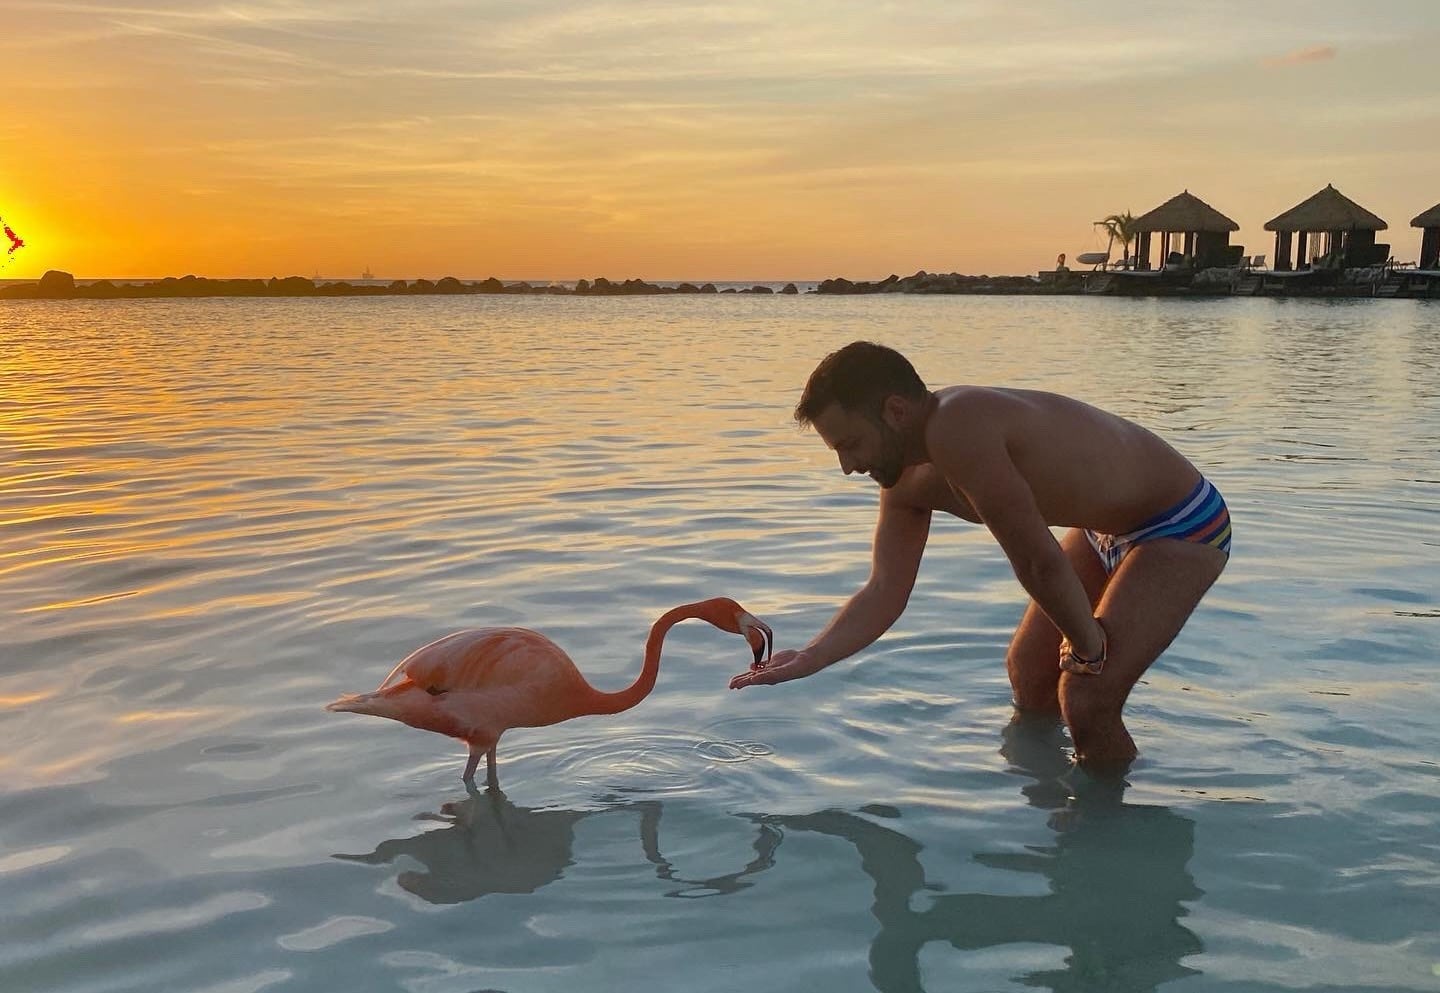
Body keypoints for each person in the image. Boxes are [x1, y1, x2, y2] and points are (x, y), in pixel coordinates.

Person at [730, 341, 1231, 769]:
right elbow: (884, 591)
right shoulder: (904, 480)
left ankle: (1112, 837)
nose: (847, 466)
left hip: (1178, 522)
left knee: (1087, 697)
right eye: (837, 451)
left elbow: (1037, 560)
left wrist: (1089, 650)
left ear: (896, 411)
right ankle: (1051, 800)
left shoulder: (959, 424)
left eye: (852, 444)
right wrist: (812, 655)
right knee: (1030, 676)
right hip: (1102, 530)